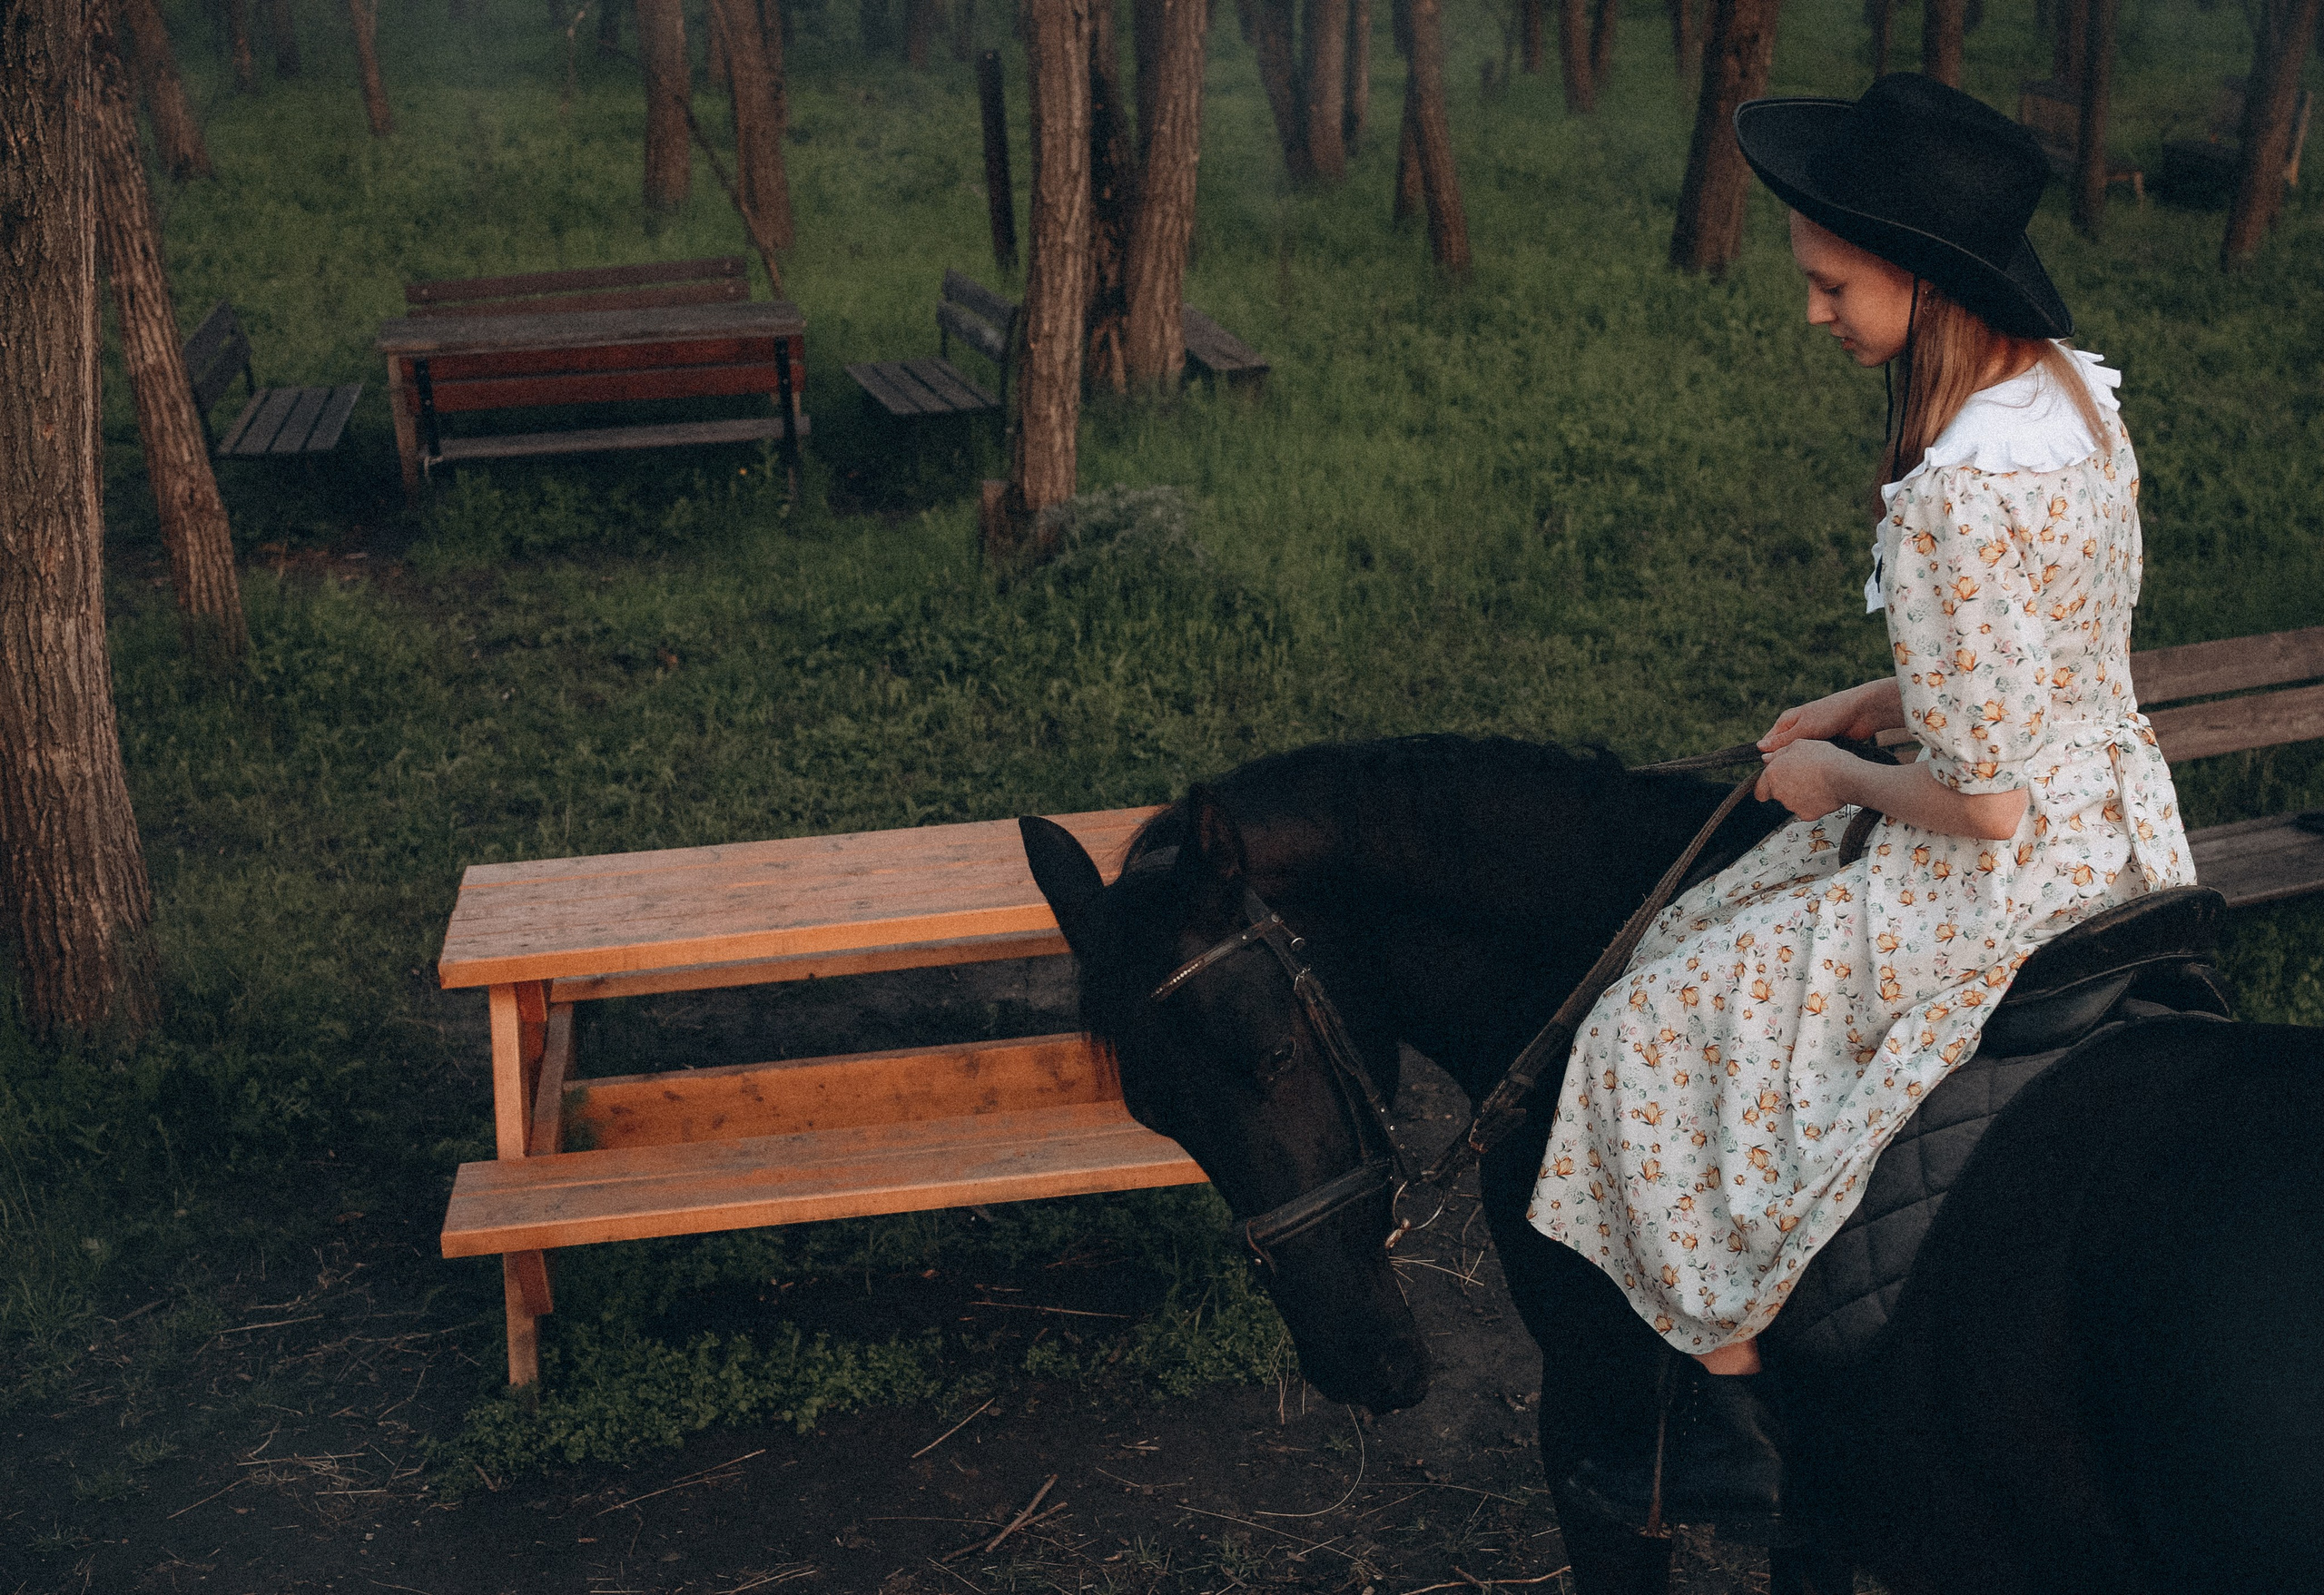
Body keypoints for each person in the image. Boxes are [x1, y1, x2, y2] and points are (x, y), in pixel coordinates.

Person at [1526, 73, 2195, 1531]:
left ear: (1925, 283)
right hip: (2122, 820)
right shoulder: (2068, 401)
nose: (1813, 312)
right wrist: (1862, 700)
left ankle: (1732, 1410)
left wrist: (1832, 778)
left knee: (1647, 1020)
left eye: (1834, 286)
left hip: (2007, 869)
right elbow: (2026, 664)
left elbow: (1986, 804)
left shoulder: (1957, 491)